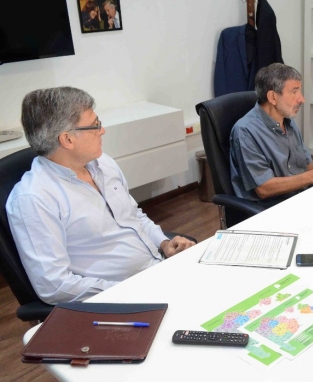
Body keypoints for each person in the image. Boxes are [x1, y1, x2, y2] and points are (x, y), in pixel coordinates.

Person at [6, 87, 195, 305]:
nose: (102, 130)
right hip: (120, 299)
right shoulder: (34, 199)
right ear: (67, 139)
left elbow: (134, 216)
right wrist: (130, 290)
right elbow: (55, 286)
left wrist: (163, 243)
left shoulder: (102, 163)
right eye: (95, 125)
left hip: (157, 272)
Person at [230, 63, 313, 206]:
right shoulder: (245, 131)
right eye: (294, 91)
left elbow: (307, 165)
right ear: (273, 97)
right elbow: (264, 188)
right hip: (271, 209)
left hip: (300, 197)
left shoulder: (287, 120)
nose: (302, 99)